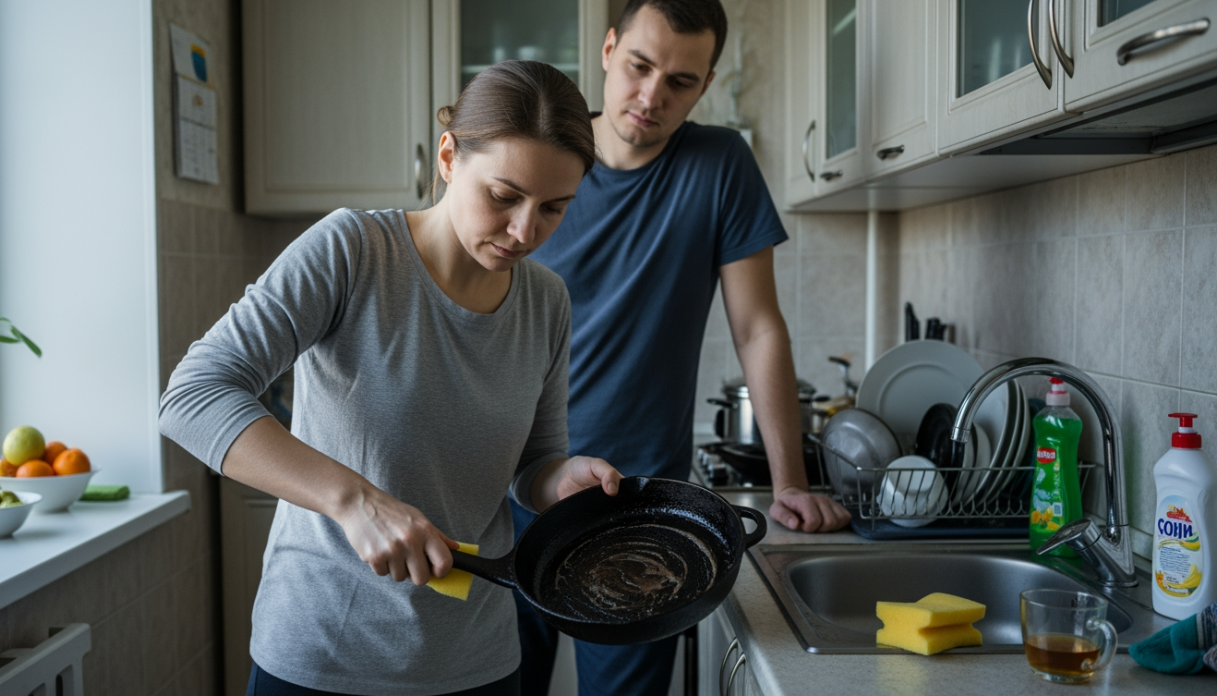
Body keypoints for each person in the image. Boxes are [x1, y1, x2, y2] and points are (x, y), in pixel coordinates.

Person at [159, 61, 623, 696]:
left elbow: (535, 462)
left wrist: (559, 480)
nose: (524, 231)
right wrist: (354, 500)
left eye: (553, 208)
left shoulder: (547, 301)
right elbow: (192, 394)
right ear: (448, 157)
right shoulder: (352, 251)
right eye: (503, 195)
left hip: (478, 661)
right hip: (323, 657)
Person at [511, 2, 853, 694]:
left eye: (680, 81)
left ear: (707, 84)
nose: (651, 96)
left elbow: (758, 326)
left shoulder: (721, 163)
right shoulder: (542, 166)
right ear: (608, 50)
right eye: (639, 66)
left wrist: (791, 482)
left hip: (638, 508)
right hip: (507, 491)